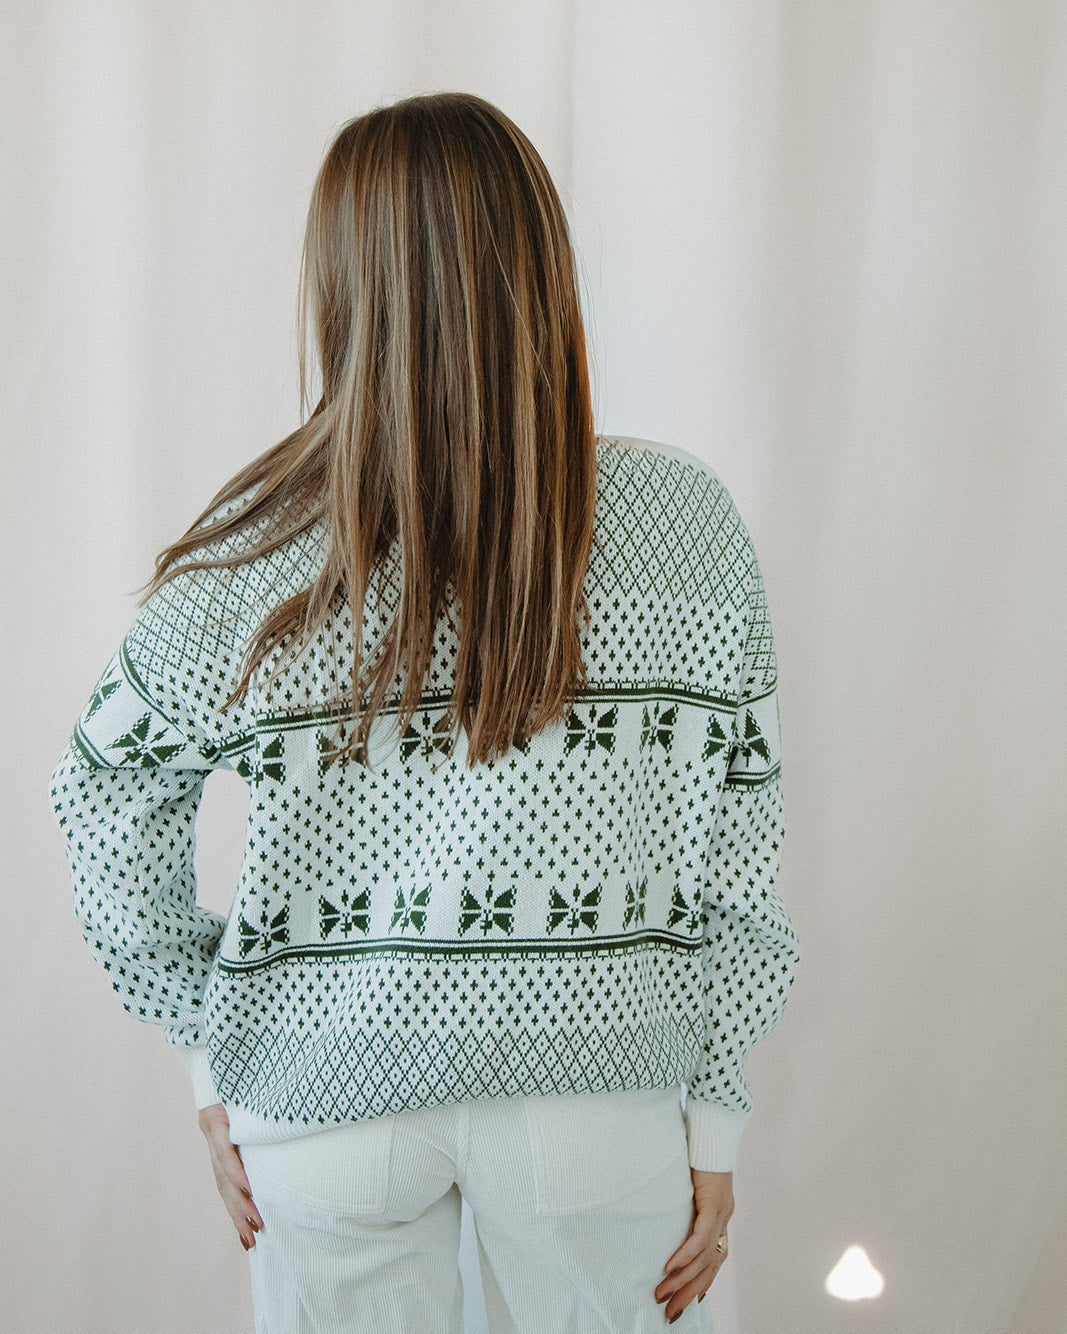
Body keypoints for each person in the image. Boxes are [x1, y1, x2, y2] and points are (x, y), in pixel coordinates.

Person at [49, 92, 800, 1333]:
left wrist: (218, 1047)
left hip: (320, 1105)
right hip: (595, 1094)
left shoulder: (251, 554)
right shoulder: (687, 524)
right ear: (540, 267)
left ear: (343, 287)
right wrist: (712, 1120)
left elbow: (101, 797)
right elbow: (741, 867)